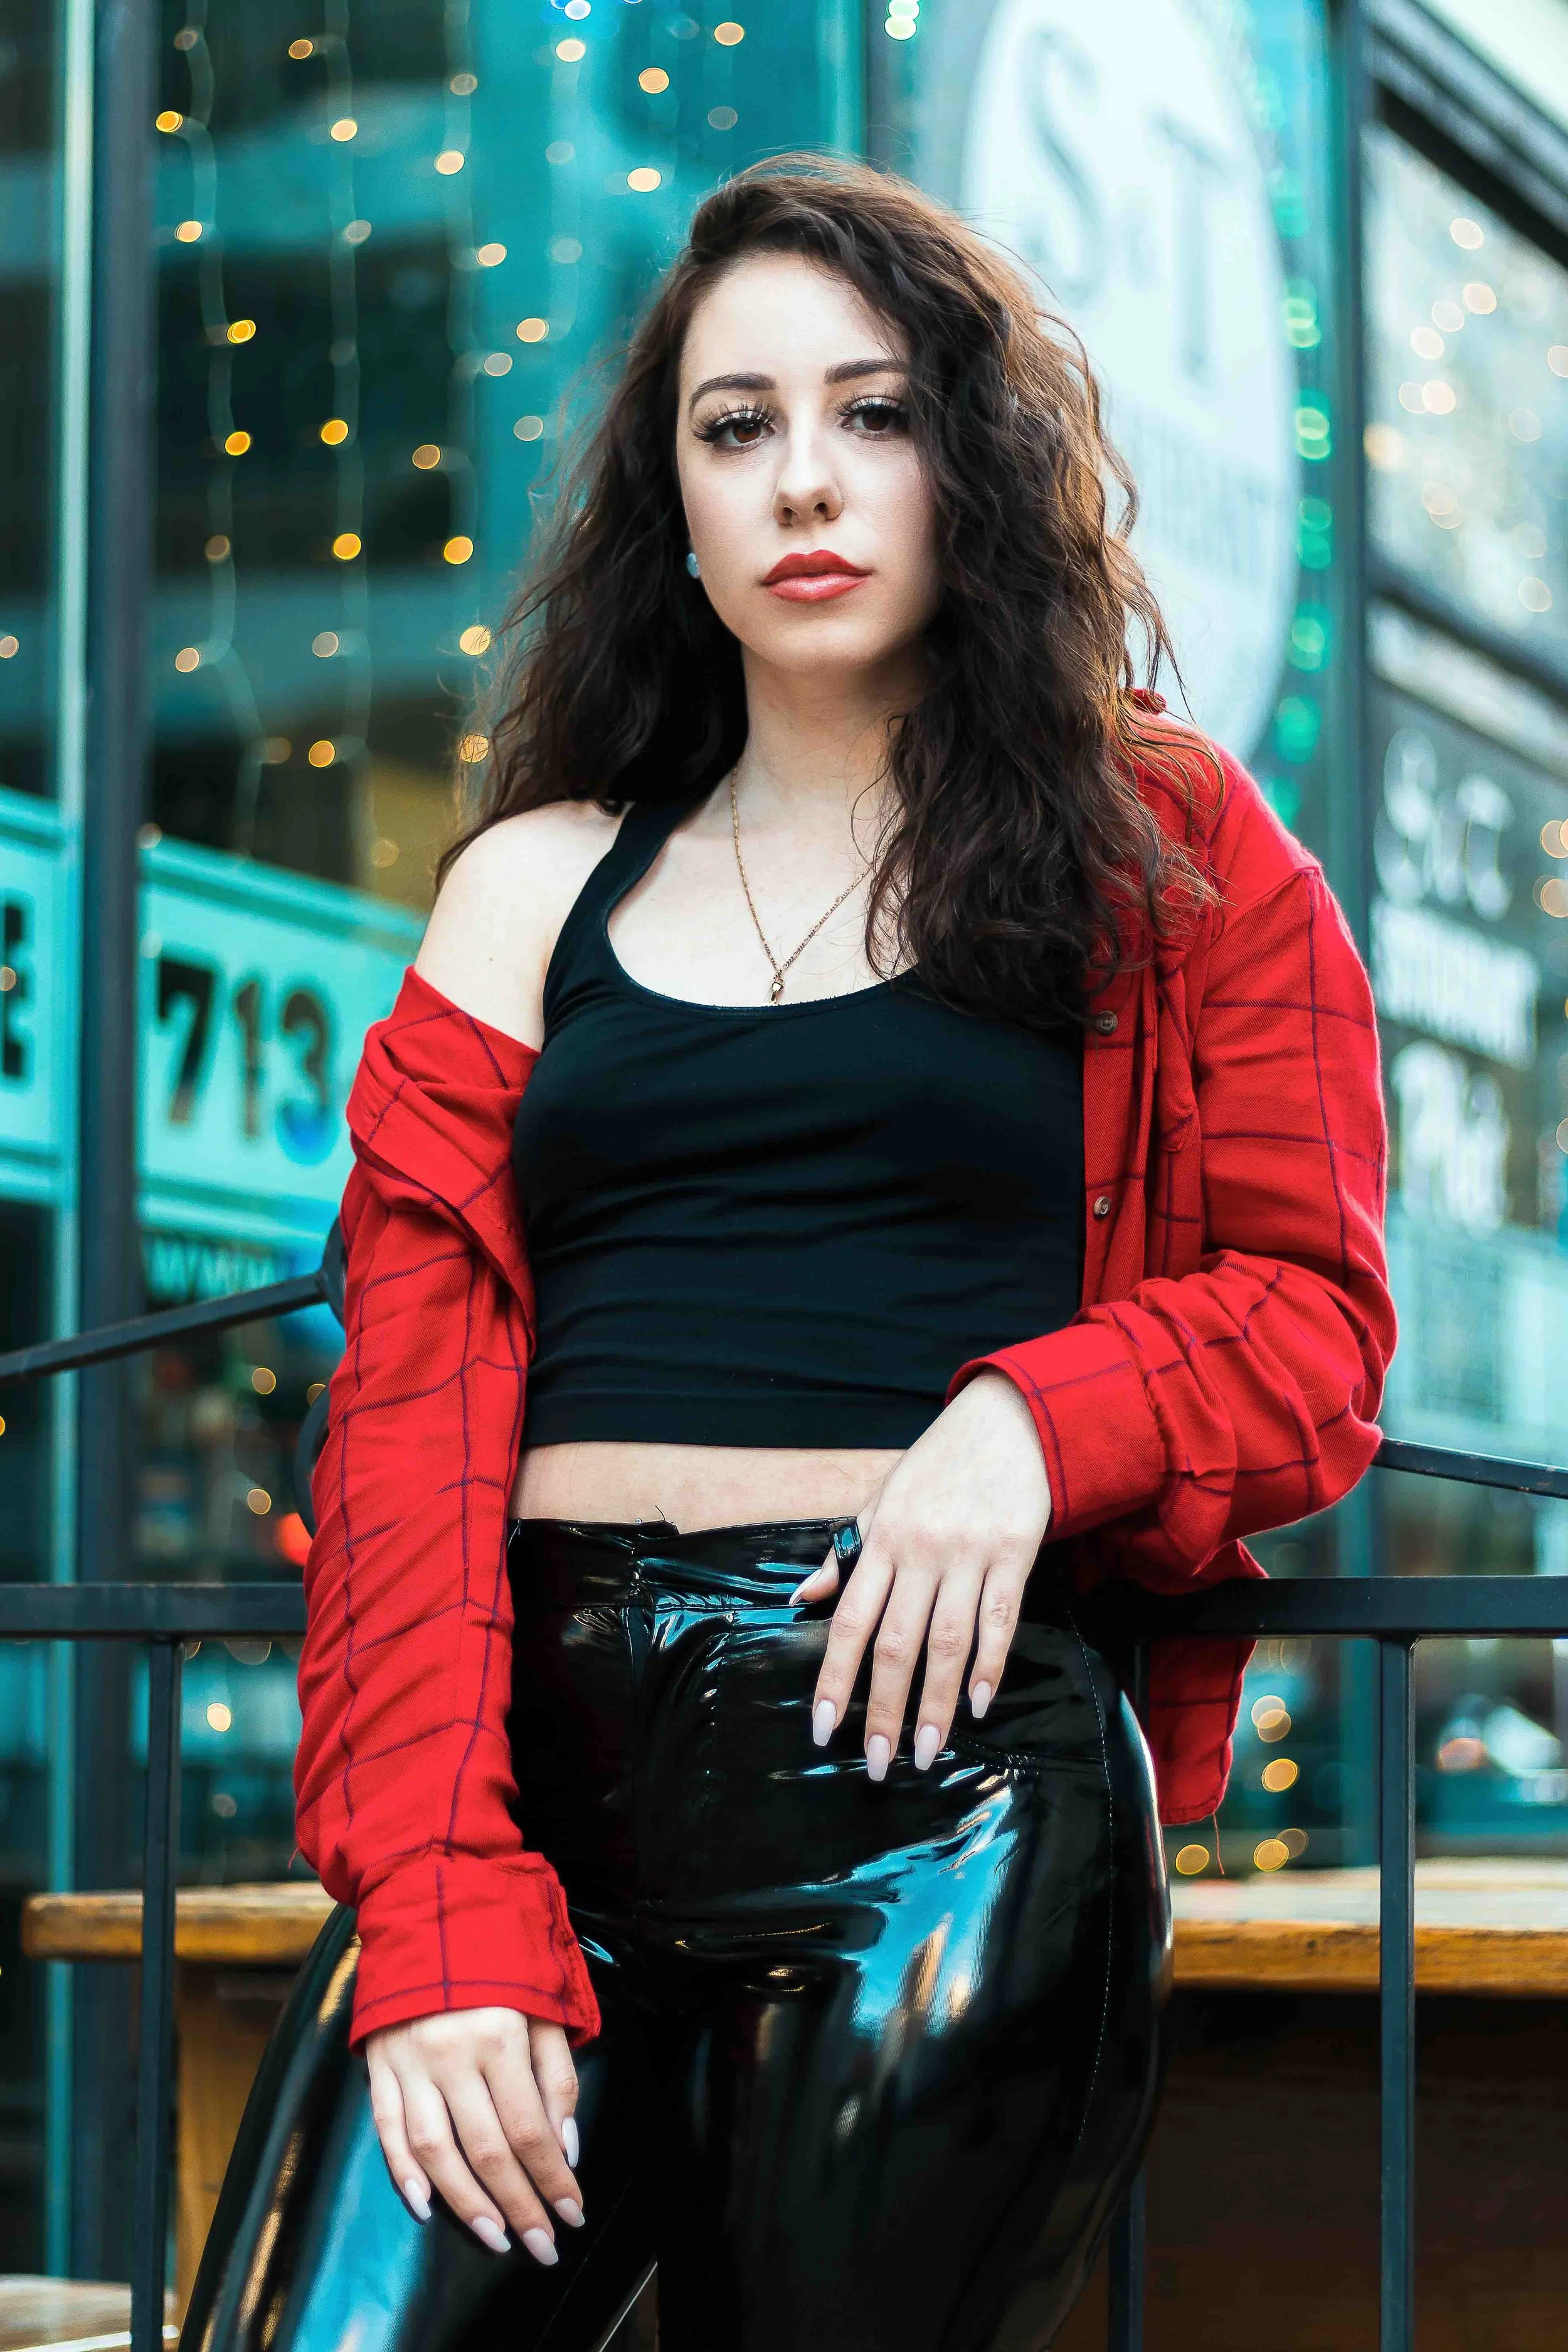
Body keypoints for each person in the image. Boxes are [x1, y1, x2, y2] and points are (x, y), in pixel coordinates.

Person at [184, 157, 1394, 2352]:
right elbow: (401, 1437)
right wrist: (439, 1896)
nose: (804, 481)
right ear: (673, 500)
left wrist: (1030, 1423)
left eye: (874, 412)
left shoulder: (1173, 848)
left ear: (973, 463)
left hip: (935, 1790)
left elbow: (1316, 1324)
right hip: (524, 1787)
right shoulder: (528, 883)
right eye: (735, 427)